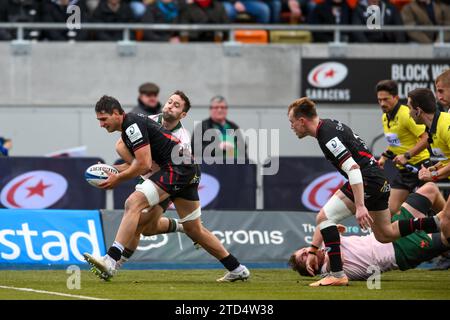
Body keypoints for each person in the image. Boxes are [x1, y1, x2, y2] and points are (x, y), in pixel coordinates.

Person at [84, 92, 250, 282]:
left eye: (103, 119)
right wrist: (113, 170)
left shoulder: (133, 125)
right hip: (186, 170)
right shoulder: (142, 122)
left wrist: (118, 179)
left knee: (133, 204)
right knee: (193, 230)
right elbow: (141, 162)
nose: (101, 124)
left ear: (116, 113)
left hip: (176, 170)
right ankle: (237, 268)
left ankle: (111, 259)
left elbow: (144, 165)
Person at [287, 97, 443, 287]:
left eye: (292, 122)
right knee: (385, 234)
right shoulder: (329, 125)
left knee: (324, 218)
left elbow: (353, 169)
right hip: (378, 179)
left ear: (302, 120)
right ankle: (431, 222)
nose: (292, 127)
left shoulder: (326, 135)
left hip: (367, 179)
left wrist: (360, 206)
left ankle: (337, 274)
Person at [289, 183, 449, 280]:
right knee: (445, 227)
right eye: (304, 256)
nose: (308, 252)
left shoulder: (323, 246)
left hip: (389, 230)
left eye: (304, 250)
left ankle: (445, 226)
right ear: (311, 268)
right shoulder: (328, 271)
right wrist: (334, 233)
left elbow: (323, 223)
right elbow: (338, 258)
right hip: (401, 251)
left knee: (430, 190)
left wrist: (313, 248)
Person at [112, 91, 196, 271]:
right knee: (147, 227)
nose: (170, 106)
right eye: (169, 102)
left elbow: (177, 170)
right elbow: (129, 150)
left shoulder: (183, 138)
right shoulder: (148, 120)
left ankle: (115, 262)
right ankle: (181, 226)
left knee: (137, 221)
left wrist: (128, 171)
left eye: (176, 105)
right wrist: (117, 169)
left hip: (168, 181)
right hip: (147, 177)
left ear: (183, 115)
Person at [375, 80, 436, 215]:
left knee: (434, 211)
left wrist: (407, 155)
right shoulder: (385, 117)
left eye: (386, 99)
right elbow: (396, 143)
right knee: (390, 211)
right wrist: (384, 158)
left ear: (396, 97)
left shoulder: (406, 114)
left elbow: (427, 137)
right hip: (404, 171)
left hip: (420, 167)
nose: (382, 103)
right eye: (379, 100)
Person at [191, 95, 248, 163]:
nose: (219, 110)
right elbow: (196, 150)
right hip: (211, 169)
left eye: (222, 107)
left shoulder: (233, 127)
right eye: (216, 107)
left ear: (226, 109)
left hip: (234, 168)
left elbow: (243, 149)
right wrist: (218, 148)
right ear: (210, 109)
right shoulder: (202, 127)